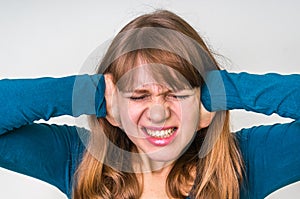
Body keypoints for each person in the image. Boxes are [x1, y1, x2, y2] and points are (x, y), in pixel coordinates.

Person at [0, 9, 299, 199]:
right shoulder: (78, 159)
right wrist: (89, 93)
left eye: (176, 93)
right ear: (113, 106)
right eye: (139, 95)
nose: (158, 112)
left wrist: (223, 90)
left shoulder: (243, 163)